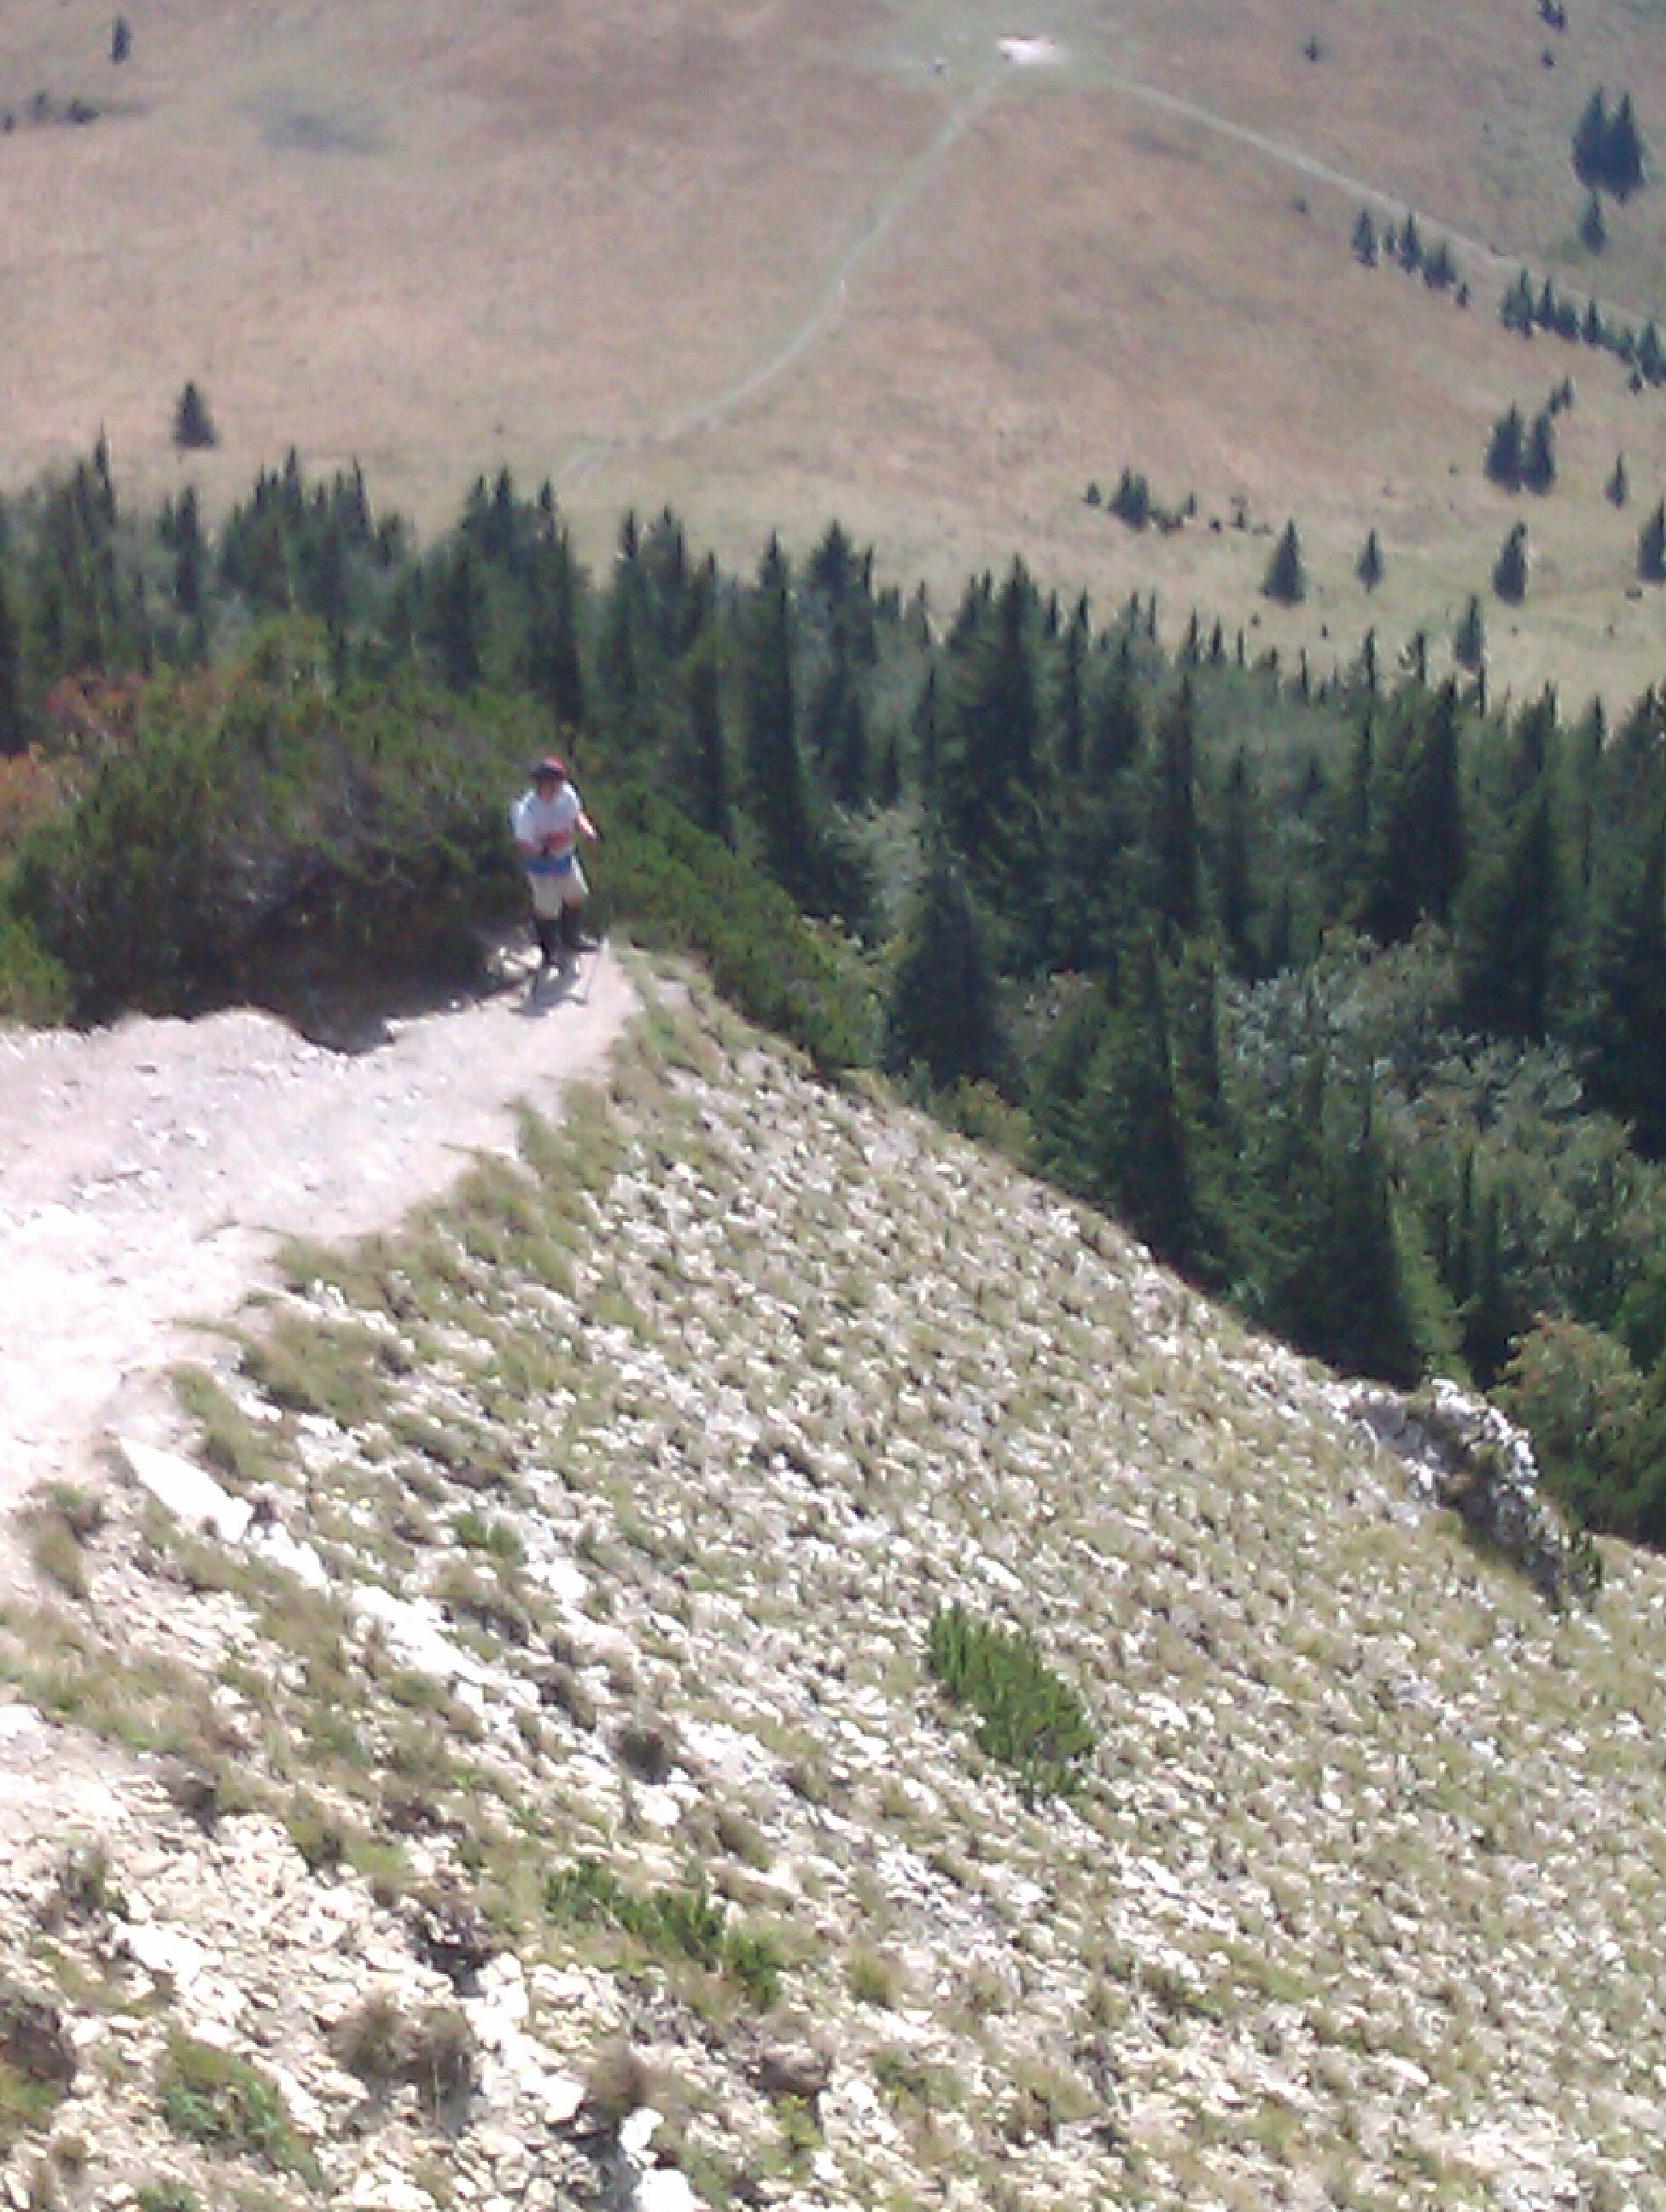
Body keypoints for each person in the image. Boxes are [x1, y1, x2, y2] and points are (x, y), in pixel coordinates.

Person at [509, 756, 599, 969]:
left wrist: (587, 830)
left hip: (565, 858)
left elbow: (576, 815)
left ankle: (571, 938)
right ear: (544, 783)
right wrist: (544, 851)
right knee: (547, 909)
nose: (559, 786)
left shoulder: (566, 794)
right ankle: (549, 952)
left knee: (576, 896)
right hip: (540, 866)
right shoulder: (527, 810)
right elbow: (523, 843)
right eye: (555, 782)